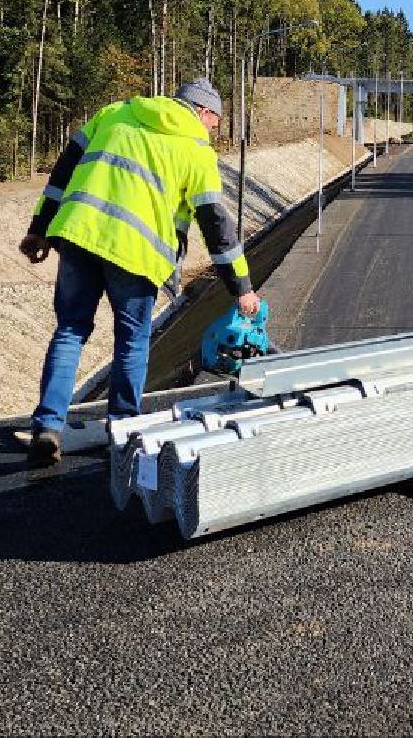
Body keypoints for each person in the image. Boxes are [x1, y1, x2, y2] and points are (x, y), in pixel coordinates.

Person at [19, 78, 261, 466]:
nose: (216, 129)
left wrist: (38, 228)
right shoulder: (195, 151)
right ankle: (124, 428)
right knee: (131, 341)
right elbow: (216, 224)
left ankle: (48, 426)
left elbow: (62, 174)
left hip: (78, 235)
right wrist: (242, 288)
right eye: (216, 119)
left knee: (70, 330)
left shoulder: (113, 114)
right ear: (201, 111)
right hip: (136, 254)